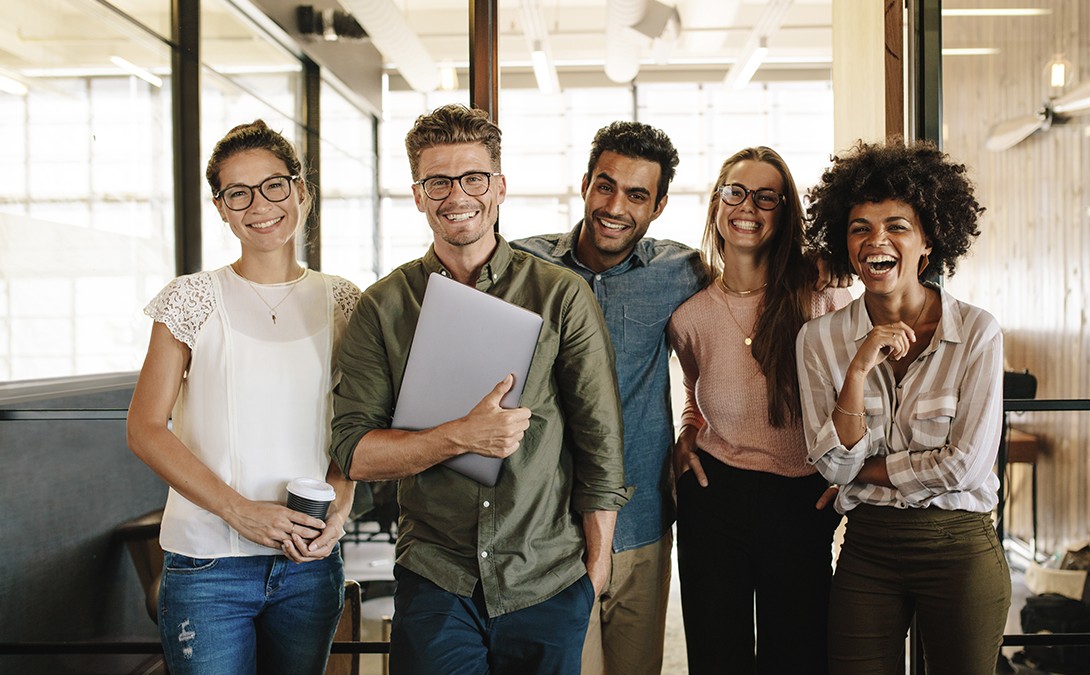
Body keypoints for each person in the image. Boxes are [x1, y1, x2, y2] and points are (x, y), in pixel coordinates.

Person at [329, 104, 630, 675]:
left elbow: (601, 445)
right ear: (418, 195)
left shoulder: (561, 295)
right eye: (438, 181)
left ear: (499, 187)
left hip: (546, 576)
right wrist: (459, 437)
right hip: (437, 578)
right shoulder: (384, 306)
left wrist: (594, 574)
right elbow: (354, 452)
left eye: (473, 178)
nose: (456, 195)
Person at [126, 120, 359, 674]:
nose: (260, 205)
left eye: (274, 185)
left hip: (307, 565)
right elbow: (145, 428)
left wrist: (339, 507)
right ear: (221, 208)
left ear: (301, 192)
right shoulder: (190, 298)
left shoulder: (343, 301)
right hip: (208, 564)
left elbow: (358, 424)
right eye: (239, 193)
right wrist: (239, 512)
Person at [797, 139, 1010, 675]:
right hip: (867, 548)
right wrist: (857, 369)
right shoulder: (818, 340)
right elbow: (830, 467)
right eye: (860, 228)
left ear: (928, 241)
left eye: (897, 226)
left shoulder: (977, 332)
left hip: (960, 546)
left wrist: (863, 469)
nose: (877, 241)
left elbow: (965, 467)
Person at [513, 121, 707, 675]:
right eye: (605, 186)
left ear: (659, 206)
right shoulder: (524, 268)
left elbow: (743, 312)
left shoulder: (682, 272)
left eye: (637, 195)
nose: (615, 207)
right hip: (548, 529)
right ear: (585, 185)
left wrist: (696, 422)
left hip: (641, 519)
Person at [667, 146, 850, 674]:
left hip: (801, 497)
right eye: (736, 192)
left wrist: (851, 471)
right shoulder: (689, 317)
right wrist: (687, 432)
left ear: (784, 212)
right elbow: (695, 389)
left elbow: (859, 393)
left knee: (798, 656)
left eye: (767, 197)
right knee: (716, 656)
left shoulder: (821, 296)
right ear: (717, 204)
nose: (748, 206)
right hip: (714, 495)